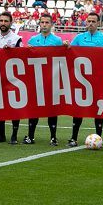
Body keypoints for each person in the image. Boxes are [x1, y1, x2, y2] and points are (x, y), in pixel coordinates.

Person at [69, 12, 103, 146]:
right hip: (81, 79)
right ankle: (73, 138)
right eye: (88, 21)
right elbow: (69, 52)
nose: (90, 23)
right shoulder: (79, 38)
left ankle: (98, 139)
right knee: (78, 108)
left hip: (98, 79)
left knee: (98, 108)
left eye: (93, 21)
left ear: (98, 23)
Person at [25, 13, 65, 146]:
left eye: (47, 22)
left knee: (51, 109)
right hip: (36, 80)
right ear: (39, 23)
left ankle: (53, 137)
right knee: (34, 108)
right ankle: (30, 136)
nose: (44, 25)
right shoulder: (32, 40)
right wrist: (26, 51)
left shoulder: (58, 41)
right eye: (42, 22)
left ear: (52, 24)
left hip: (51, 80)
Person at [0, 12, 23, 144]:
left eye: (6, 21)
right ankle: (1, 134)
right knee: (0, 106)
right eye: (1, 21)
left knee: (14, 106)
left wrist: (13, 51)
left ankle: (14, 135)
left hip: (12, 77)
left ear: (11, 23)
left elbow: (22, 56)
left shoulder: (17, 38)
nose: (3, 23)